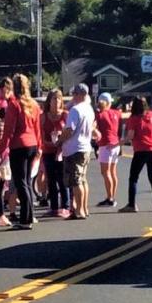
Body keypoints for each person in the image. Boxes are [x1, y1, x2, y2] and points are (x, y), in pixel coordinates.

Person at [0, 73, 41, 229]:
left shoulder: (14, 105)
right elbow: (37, 128)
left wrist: (0, 150)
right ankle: (29, 215)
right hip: (32, 144)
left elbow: (8, 130)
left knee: (21, 182)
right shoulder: (34, 104)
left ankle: (25, 219)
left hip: (19, 145)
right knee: (27, 181)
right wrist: (39, 147)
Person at [120, 95, 152, 213]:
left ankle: (132, 204)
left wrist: (119, 143)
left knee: (133, 178)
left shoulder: (133, 119)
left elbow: (130, 136)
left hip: (141, 150)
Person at [60, 84, 95, 220]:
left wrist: (59, 140)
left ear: (81, 95)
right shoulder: (89, 109)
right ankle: (84, 208)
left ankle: (79, 210)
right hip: (85, 147)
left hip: (75, 148)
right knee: (83, 179)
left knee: (76, 181)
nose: (73, 97)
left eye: (75, 94)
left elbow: (69, 130)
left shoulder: (75, 110)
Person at [40, 89, 69, 218]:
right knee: (51, 180)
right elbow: (40, 136)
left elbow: (70, 133)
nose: (56, 101)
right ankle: (54, 207)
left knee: (63, 180)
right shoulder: (43, 116)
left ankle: (66, 206)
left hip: (62, 151)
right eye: (54, 98)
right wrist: (49, 144)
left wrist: (60, 142)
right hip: (48, 151)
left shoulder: (66, 115)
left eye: (59, 98)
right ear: (49, 101)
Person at [94, 92, 122, 206]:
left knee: (105, 173)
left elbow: (94, 126)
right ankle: (112, 196)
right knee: (113, 172)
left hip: (105, 145)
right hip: (115, 144)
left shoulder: (99, 115)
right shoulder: (116, 113)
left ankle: (110, 198)